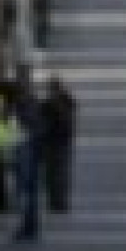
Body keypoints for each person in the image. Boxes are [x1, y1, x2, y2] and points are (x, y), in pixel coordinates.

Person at [10, 72, 44, 242]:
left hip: (25, 147)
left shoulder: (22, 102)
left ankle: (26, 225)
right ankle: (30, 224)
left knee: (24, 190)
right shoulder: (32, 100)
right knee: (30, 189)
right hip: (32, 147)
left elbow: (23, 126)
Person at [40, 75, 77, 213]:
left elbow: (43, 123)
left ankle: (57, 202)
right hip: (61, 142)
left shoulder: (51, 105)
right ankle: (59, 202)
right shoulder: (67, 102)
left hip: (55, 142)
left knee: (54, 173)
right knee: (59, 173)